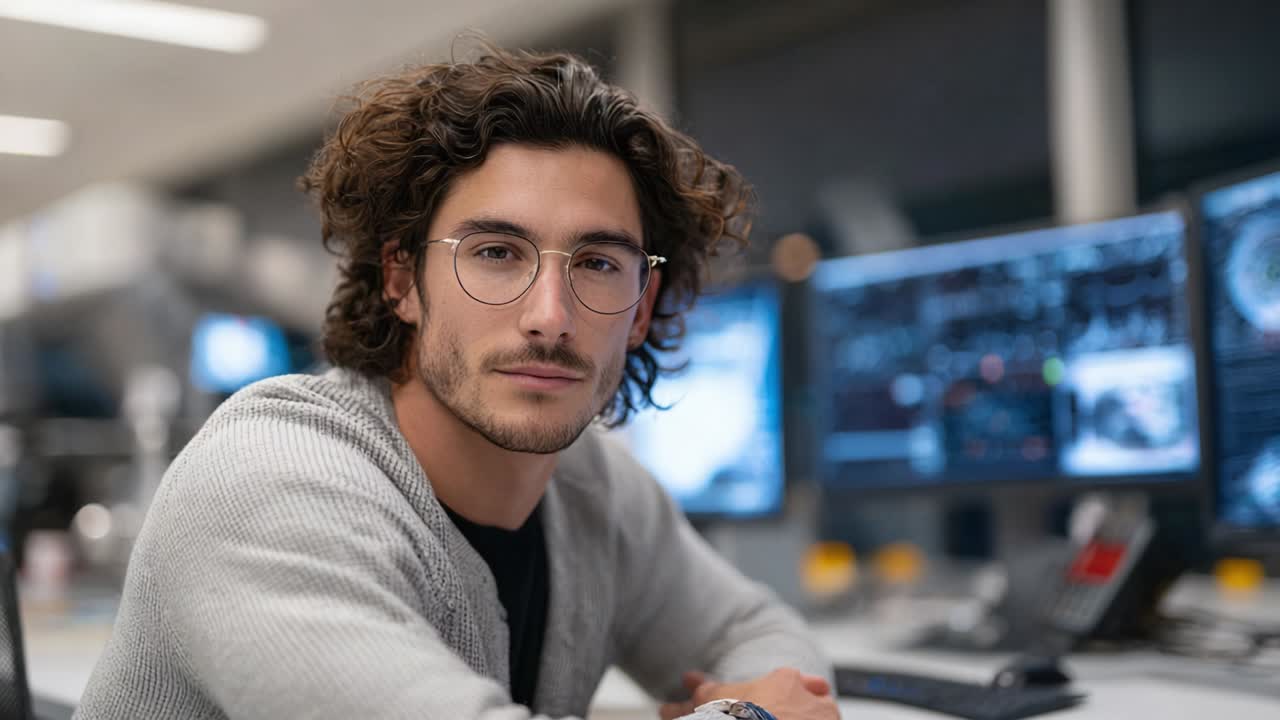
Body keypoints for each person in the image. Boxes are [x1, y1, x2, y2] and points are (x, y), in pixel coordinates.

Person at [76, 44, 837, 720]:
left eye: (599, 264)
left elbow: (772, 648)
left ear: (642, 311)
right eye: (497, 253)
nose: (551, 316)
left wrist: (750, 702)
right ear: (403, 278)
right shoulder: (267, 484)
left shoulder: (596, 491)